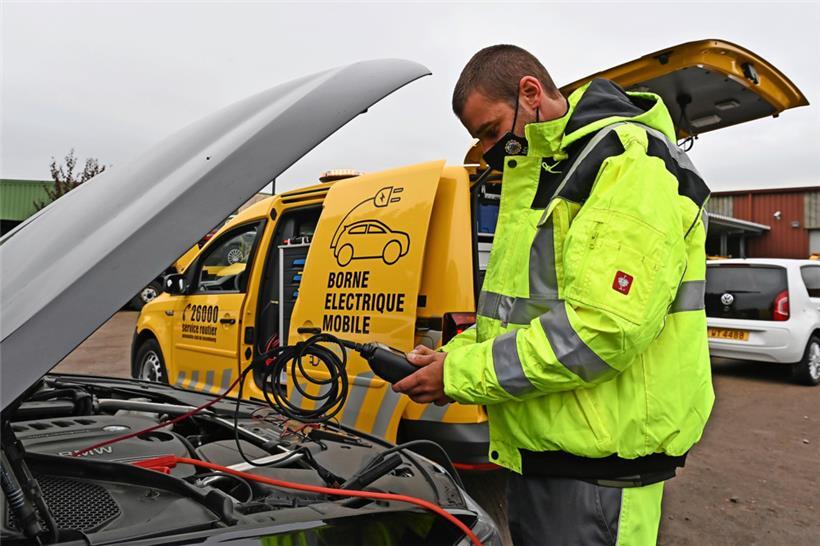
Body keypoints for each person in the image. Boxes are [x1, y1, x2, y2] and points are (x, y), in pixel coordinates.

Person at [393, 45, 714, 545]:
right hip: (547, 459)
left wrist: (457, 375)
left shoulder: (627, 162)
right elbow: (517, 316)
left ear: (530, 92)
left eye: (491, 131)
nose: (488, 149)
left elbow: (602, 330)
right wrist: (450, 357)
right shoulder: (549, 171)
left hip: (597, 474)